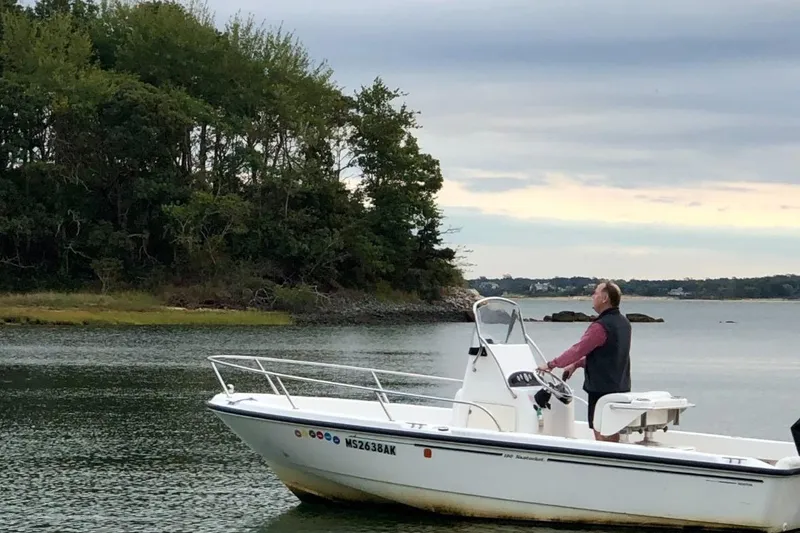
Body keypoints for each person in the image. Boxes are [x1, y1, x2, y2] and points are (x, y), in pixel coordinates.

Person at [538, 280, 632, 442]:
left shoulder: (600, 327)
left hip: (601, 389)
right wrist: (577, 364)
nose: (592, 296)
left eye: (595, 293)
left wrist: (551, 364)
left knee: (601, 432)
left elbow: (578, 349)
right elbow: (609, 354)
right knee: (612, 429)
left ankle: (604, 457)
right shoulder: (624, 323)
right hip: (621, 386)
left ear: (605, 298)